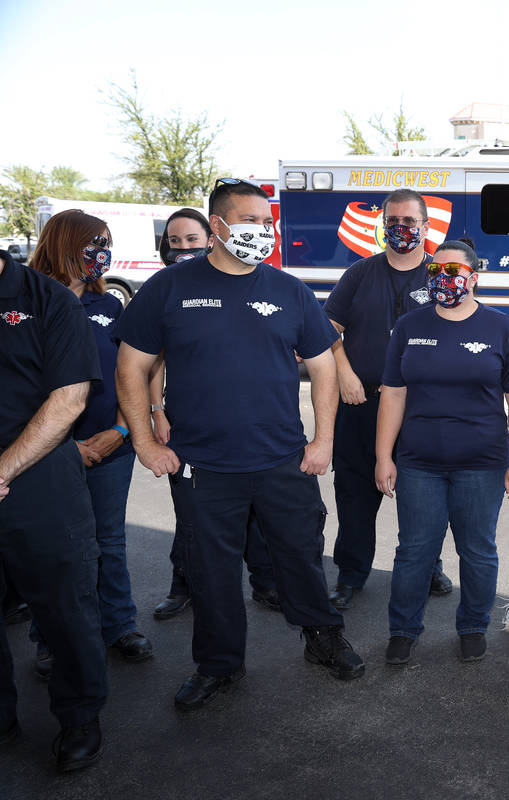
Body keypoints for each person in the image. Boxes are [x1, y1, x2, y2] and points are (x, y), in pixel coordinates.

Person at [115, 179, 365, 711]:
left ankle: (322, 638)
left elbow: (323, 368)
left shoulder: (288, 288)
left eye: (266, 222)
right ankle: (219, 665)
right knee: (212, 572)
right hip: (204, 466)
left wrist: (323, 440)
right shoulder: (171, 287)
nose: (262, 232)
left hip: (283, 460)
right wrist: (144, 441)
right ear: (219, 227)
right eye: (251, 222)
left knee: (300, 556)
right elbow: (131, 368)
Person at [375, 239, 509, 665]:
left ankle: (472, 626)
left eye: (451, 271)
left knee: (478, 550)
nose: (442, 279)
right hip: (419, 463)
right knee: (414, 552)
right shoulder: (410, 326)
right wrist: (383, 455)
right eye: (434, 272)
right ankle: (404, 631)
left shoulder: (503, 328)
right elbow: (392, 393)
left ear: (473, 278)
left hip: (481, 464)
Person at [27, 210, 153, 680]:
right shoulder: (28, 305)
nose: (102, 251)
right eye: (92, 242)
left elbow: (130, 373)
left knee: (109, 542)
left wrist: (122, 430)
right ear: (63, 244)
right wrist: (62, 446)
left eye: (106, 241)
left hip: (110, 447)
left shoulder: (110, 307)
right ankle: (51, 638)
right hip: (48, 453)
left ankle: (119, 625)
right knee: (55, 549)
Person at [0, 244, 107, 771]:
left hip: (38, 480)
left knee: (64, 608)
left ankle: (80, 716)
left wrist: (2, 470)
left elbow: (70, 398)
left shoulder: (47, 301)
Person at [148, 208, 280, 620]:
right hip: (191, 430)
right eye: (175, 241)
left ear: (212, 237)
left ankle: (265, 583)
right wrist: (157, 412)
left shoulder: (243, 281)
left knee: (255, 516)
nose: (183, 247)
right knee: (193, 520)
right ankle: (182, 586)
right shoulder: (167, 288)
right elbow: (150, 361)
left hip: (253, 432)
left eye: (191, 239)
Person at [324, 189, 452, 611]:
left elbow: (460, 334)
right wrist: (344, 372)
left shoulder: (441, 276)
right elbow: (326, 329)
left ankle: (427, 565)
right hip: (360, 407)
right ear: (382, 226)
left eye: (409, 222)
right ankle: (351, 574)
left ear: (426, 227)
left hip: (421, 413)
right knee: (355, 496)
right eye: (393, 221)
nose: (401, 229)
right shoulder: (360, 274)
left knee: (423, 497)